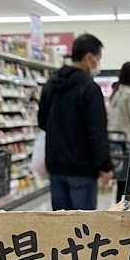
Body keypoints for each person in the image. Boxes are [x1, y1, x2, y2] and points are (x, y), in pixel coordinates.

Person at [38, 33, 113, 211]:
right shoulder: (89, 88)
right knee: (82, 224)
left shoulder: (51, 85)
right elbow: (96, 131)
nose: (97, 63)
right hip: (82, 169)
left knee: (60, 223)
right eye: (98, 58)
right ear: (89, 57)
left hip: (56, 166)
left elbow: (42, 122)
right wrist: (105, 166)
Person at [107, 61, 130, 201]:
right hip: (128, 142)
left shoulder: (117, 91)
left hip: (114, 142)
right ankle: (125, 207)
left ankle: (120, 205)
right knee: (127, 181)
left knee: (120, 181)